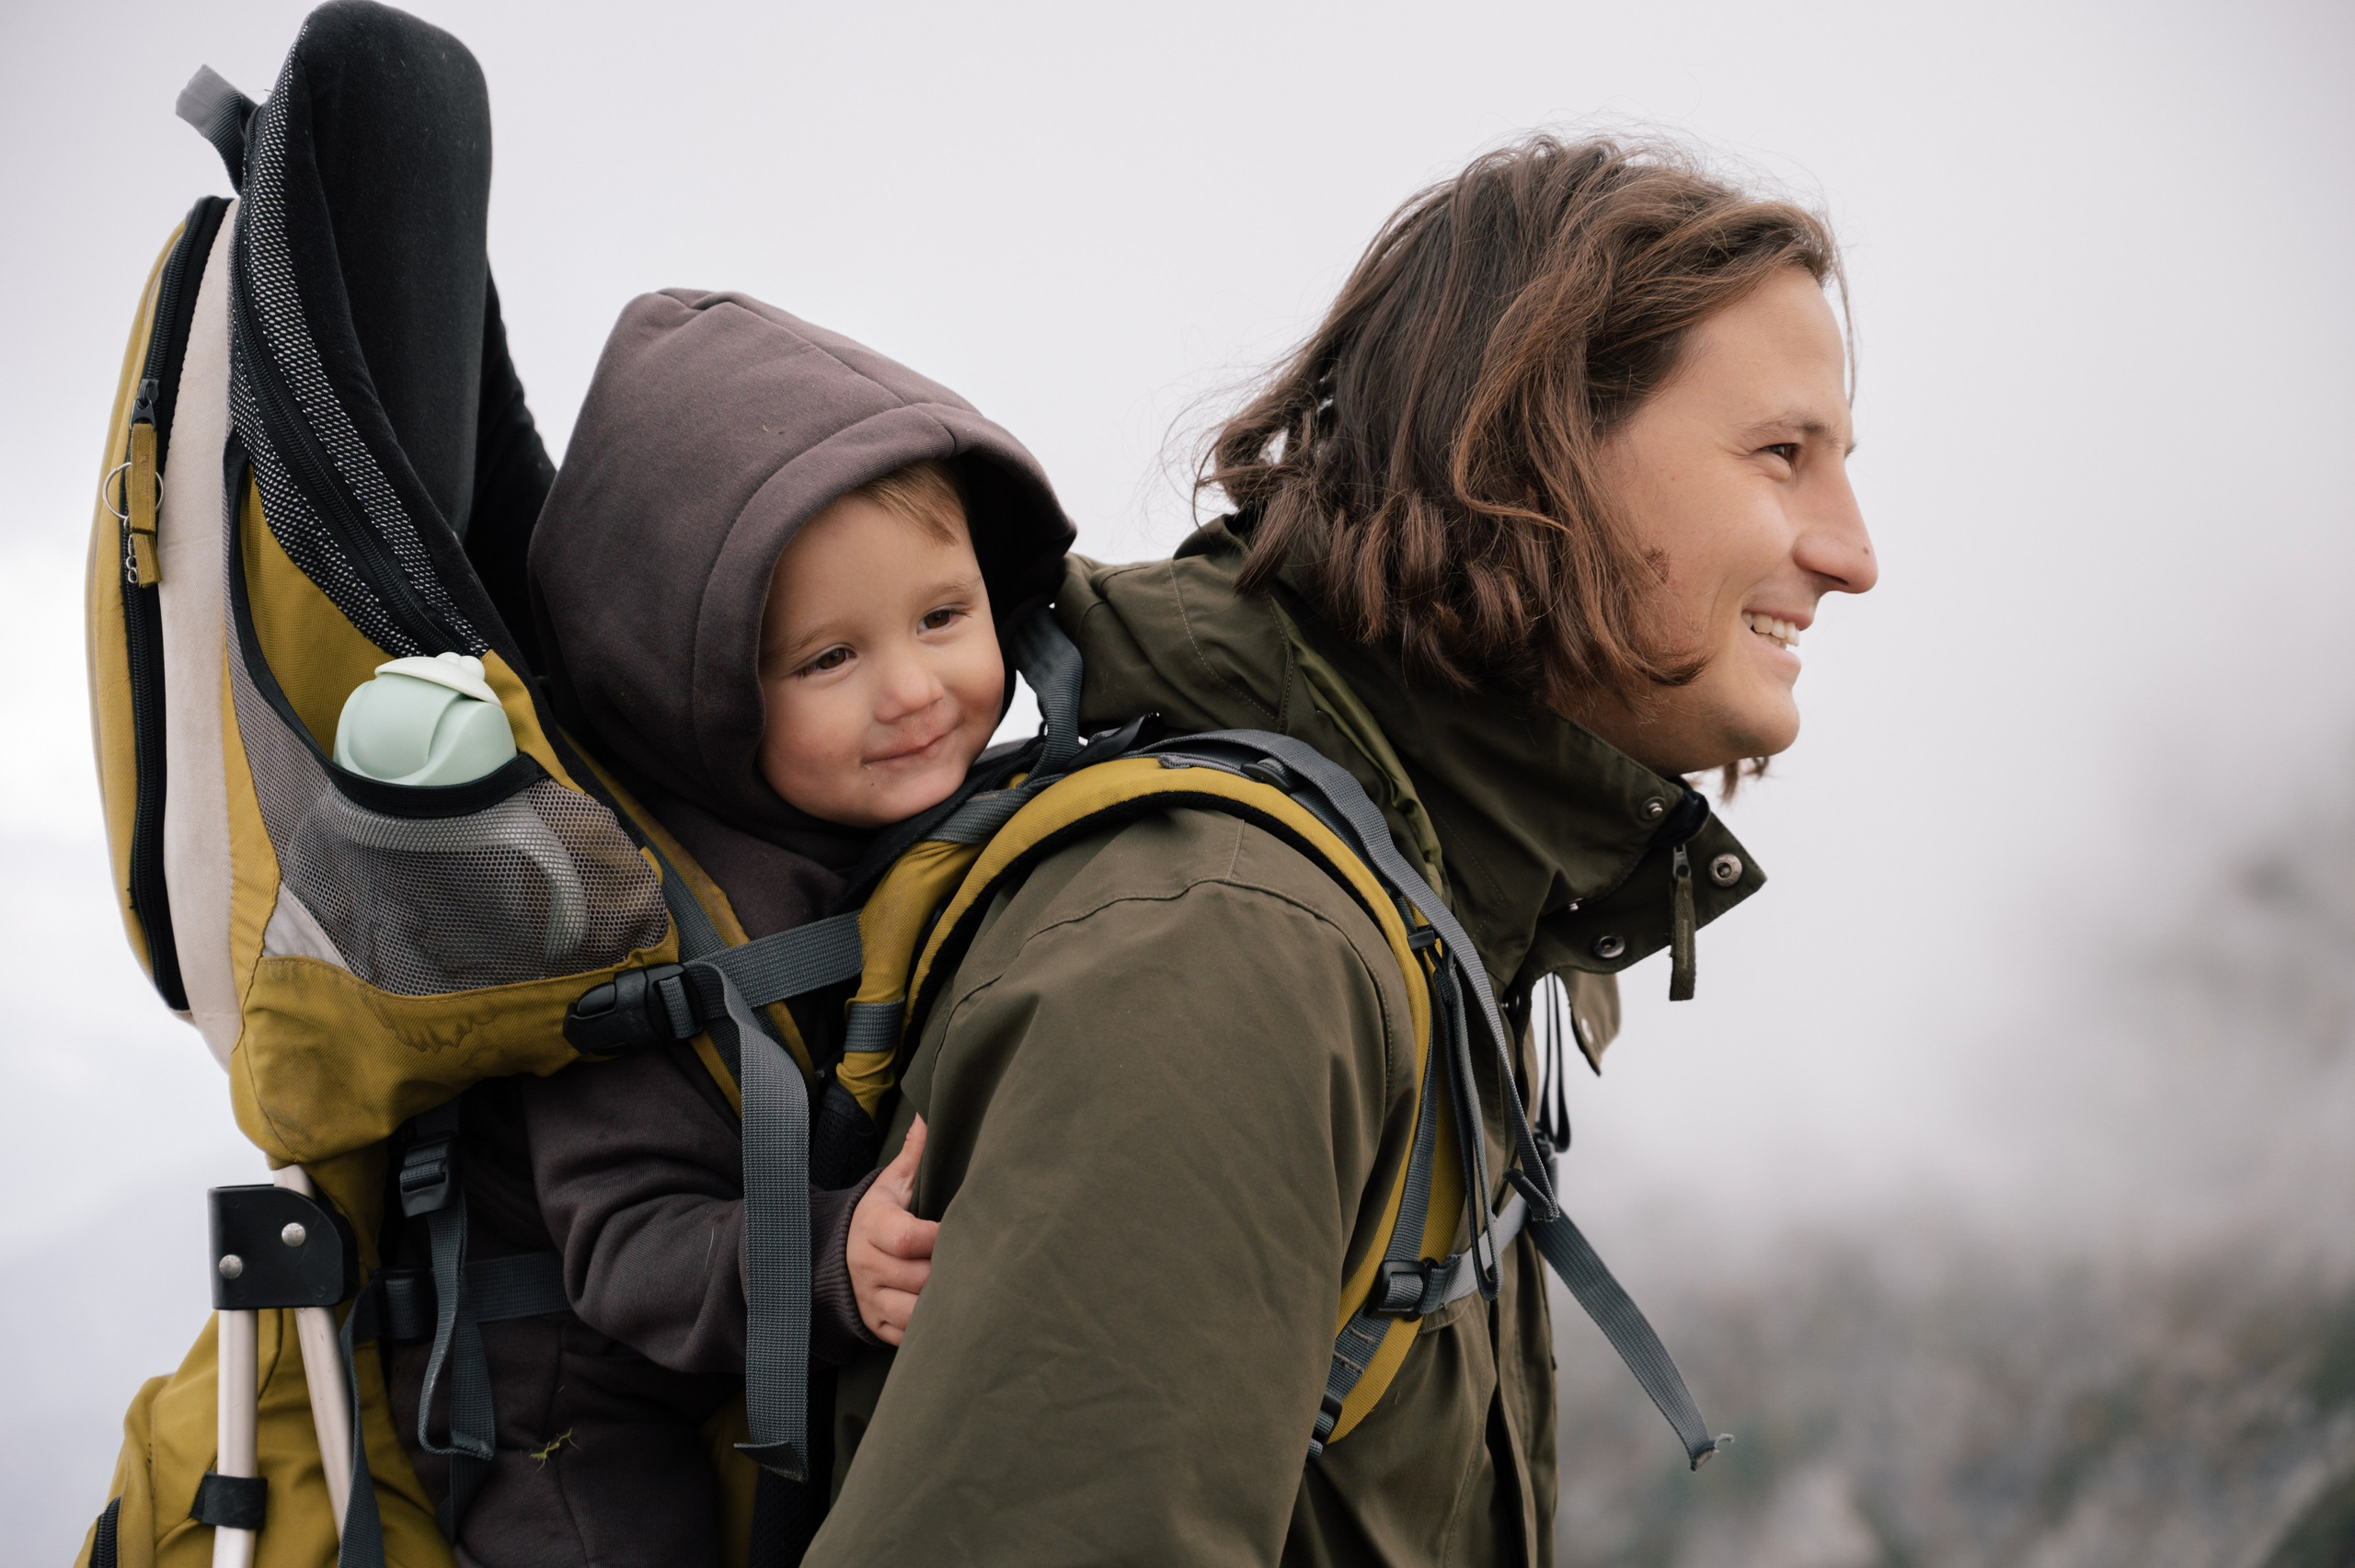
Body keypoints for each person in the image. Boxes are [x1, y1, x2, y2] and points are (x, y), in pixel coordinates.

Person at [810, 132, 1876, 1565]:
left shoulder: (1425, 903)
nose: (1852, 550)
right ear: (1532, 453)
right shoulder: (1234, 951)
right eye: (1783, 456)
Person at [383, 288, 1074, 1565]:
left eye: (942, 616)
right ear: (692, 691)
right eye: (829, 659)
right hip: (570, 1407)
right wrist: (829, 1258)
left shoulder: (910, 816)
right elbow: (626, 1244)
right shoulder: (636, 922)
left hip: (756, 1351)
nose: (915, 690)